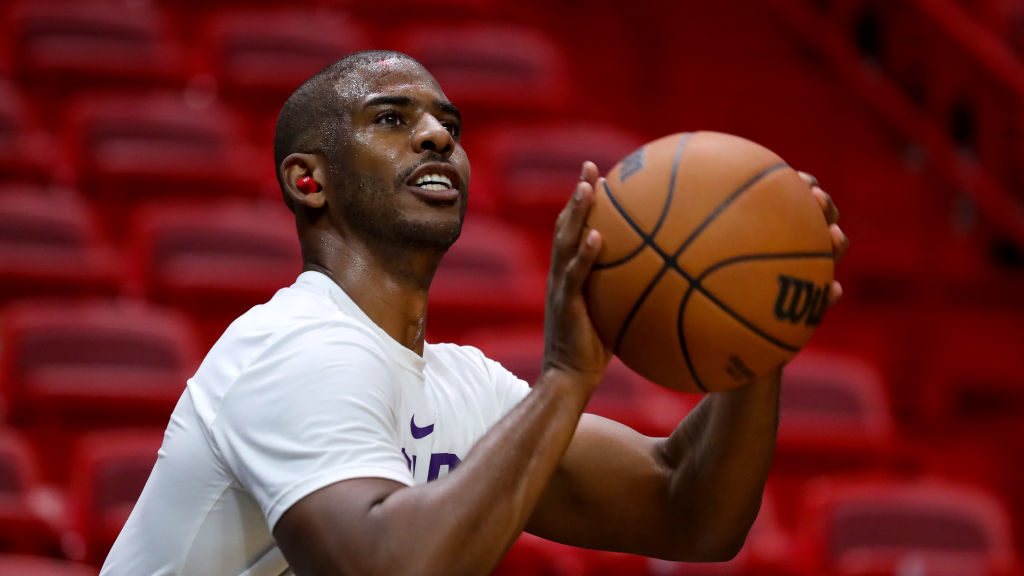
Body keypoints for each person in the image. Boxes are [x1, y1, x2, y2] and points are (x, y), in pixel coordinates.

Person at [101, 49, 849, 576]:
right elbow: (386, 569)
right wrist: (564, 377)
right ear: (308, 181)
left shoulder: (463, 387)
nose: (436, 136)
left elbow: (689, 508)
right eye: (391, 119)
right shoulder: (294, 348)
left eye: (448, 126)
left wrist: (760, 331)